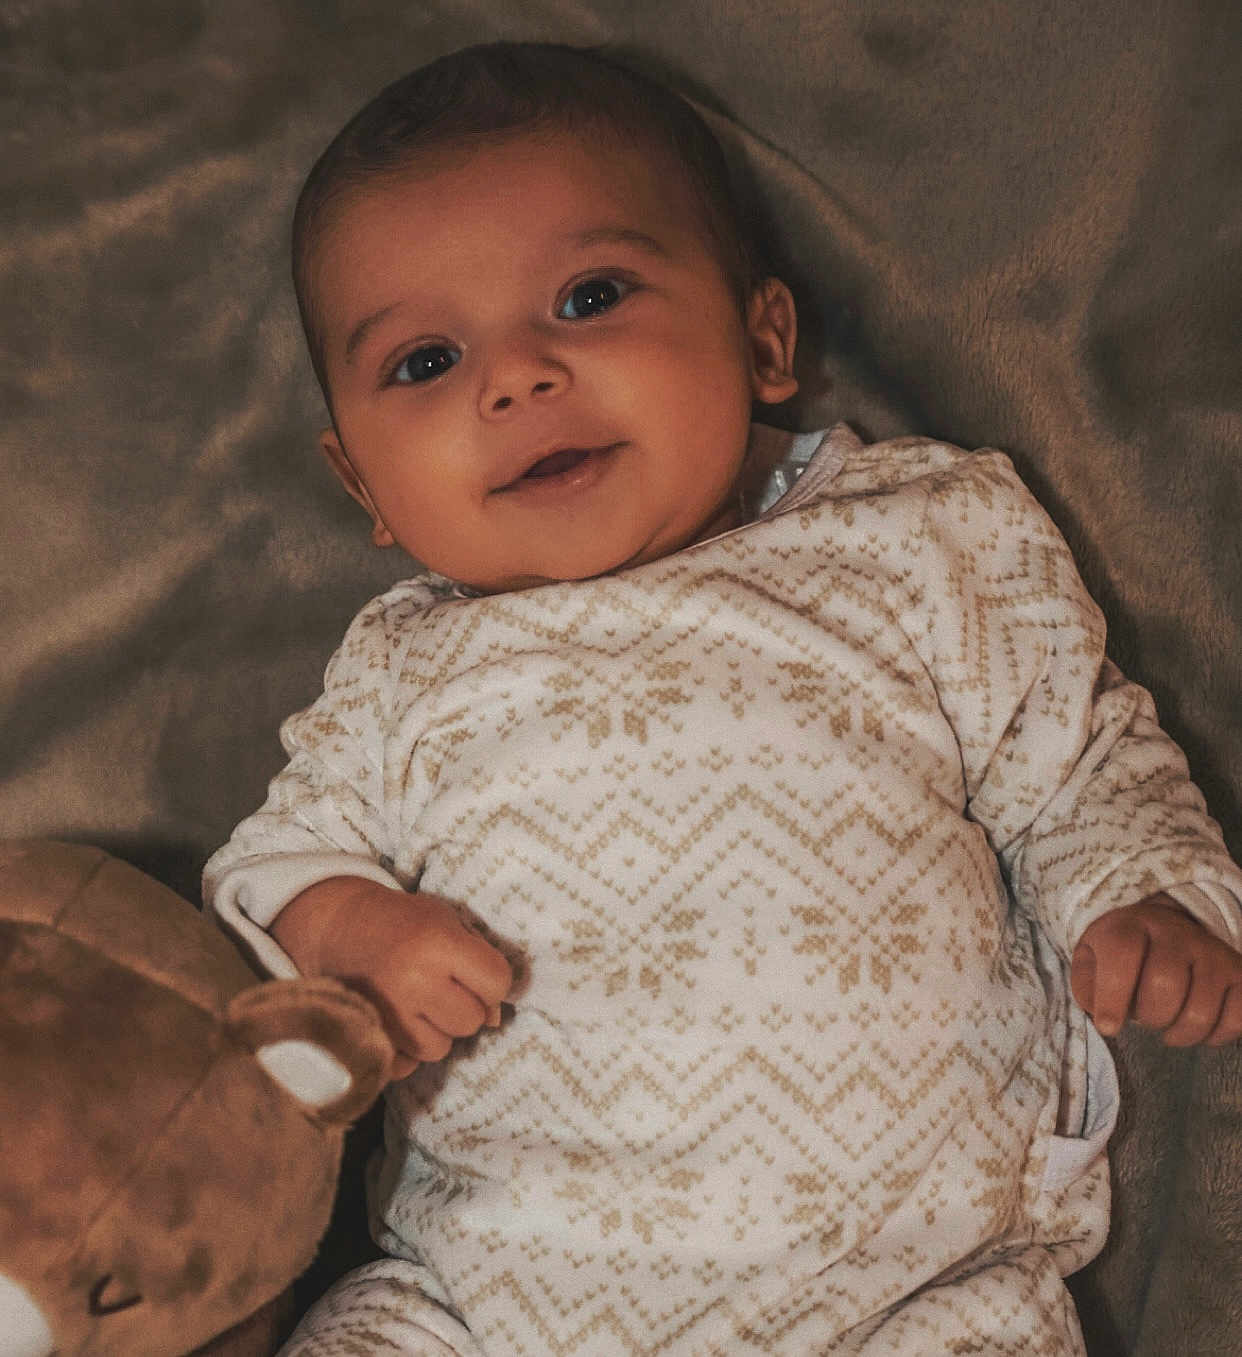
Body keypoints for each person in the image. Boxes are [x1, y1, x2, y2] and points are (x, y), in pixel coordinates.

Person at [203, 41, 1242, 1356]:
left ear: (762, 338)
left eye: (587, 296)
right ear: (363, 486)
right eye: (422, 363)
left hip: (913, 1284)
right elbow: (268, 867)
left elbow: (1077, 765)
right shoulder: (403, 667)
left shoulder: (918, 539)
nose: (513, 377)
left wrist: (1145, 897)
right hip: (490, 1294)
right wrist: (345, 923)